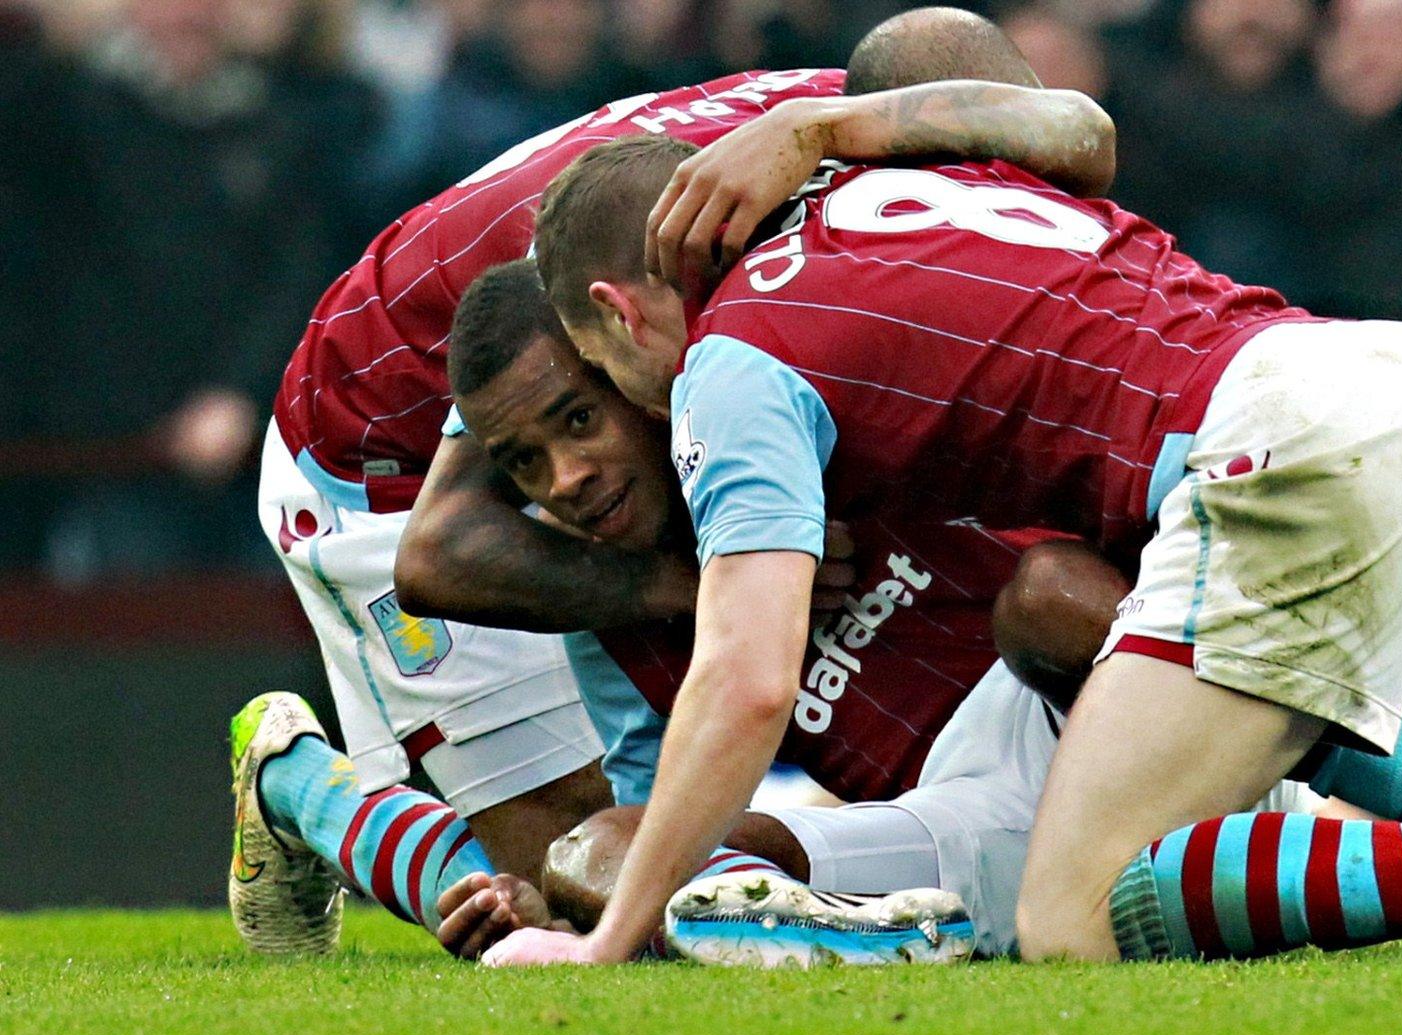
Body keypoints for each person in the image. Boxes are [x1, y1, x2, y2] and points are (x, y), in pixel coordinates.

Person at [433, 261, 1402, 964]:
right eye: (526, 463)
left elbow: (767, 677)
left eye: (577, 424)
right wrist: (578, 890)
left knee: (1068, 842)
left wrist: (613, 927)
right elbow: (690, 785)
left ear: (627, 343)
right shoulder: (635, 581)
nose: (567, 474)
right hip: (1388, 413)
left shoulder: (775, 401)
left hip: (1210, 562)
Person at [484, 134, 1402, 969]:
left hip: (1279, 443)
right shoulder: (881, 186)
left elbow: (748, 679)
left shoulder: (729, 361)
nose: (642, 407)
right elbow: (1074, 125)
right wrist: (827, 129)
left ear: (616, 308)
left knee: (1070, 917)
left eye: (603, 378)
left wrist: (604, 952)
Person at [230, 7, 1121, 956]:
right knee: (564, 888)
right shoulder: (647, 252)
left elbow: (1083, 137)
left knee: (650, 886)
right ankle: (299, 789)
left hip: (578, 387)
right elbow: (443, 548)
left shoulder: (858, 143)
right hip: (372, 448)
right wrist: (703, 593)